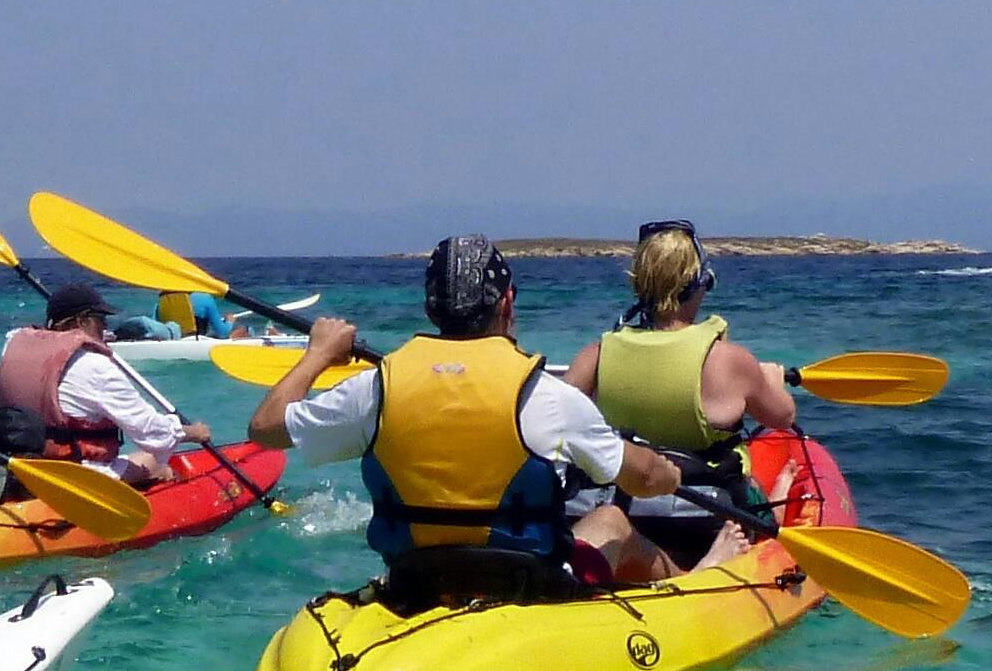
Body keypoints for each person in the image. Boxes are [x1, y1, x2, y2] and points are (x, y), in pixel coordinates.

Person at [245, 235, 698, 599]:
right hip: (527, 587)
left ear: (429, 309)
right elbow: (640, 478)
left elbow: (264, 429)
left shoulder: (376, 389)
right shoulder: (546, 396)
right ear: (507, 303)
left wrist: (317, 355)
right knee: (611, 523)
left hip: (415, 584)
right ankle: (703, 580)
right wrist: (668, 474)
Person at [563, 222, 797, 565]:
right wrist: (772, 380)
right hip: (703, 517)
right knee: (747, 494)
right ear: (700, 283)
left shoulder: (597, 353)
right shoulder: (729, 360)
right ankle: (766, 519)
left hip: (621, 503)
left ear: (638, 283)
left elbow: (551, 419)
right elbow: (783, 417)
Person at [0, 277, 214, 491]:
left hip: (21, 462)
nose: (106, 328)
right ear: (83, 322)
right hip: (75, 474)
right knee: (154, 461)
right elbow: (151, 433)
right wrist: (189, 432)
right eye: (100, 320)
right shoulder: (94, 366)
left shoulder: (13, 344)